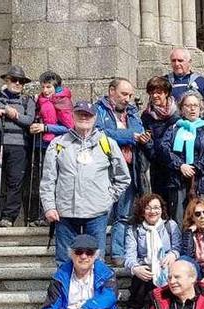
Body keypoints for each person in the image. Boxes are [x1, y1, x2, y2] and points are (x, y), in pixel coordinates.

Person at [41, 101, 130, 266]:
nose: (84, 117)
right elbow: (48, 180)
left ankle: (96, 292)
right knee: (64, 261)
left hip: (96, 213)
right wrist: (49, 206)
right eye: (80, 113)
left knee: (96, 261)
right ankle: (64, 291)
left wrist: (108, 198)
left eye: (88, 114)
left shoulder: (107, 143)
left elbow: (123, 177)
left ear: (95, 117)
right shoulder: (58, 144)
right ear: (73, 115)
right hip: (64, 212)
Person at [94, 78, 144, 265]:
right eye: (124, 94)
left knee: (124, 215)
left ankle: (118, 254)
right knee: (102, 213)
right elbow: (99, 133)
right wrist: (129, 136)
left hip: (129, 169)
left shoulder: (132, 112)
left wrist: (141, 137)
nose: (128, 99)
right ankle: (97, 256)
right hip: (105, 169)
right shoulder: (98, 109)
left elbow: (140, 131)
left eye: (130, 95)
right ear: (111, 91)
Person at [162, 90, 204, 225]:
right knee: (179, 220)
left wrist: (195, 168)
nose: (192, 109)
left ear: (201, 108)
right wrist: (180, 165)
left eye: (195, 105)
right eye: (188, 105)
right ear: (181, 109)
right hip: (178, 181)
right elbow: (164, 149)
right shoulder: (174, 128)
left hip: (203, 181)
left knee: (203, 219)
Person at [26, 71, 73, 226]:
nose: (45, 90)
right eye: (43, 87)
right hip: (40, 144)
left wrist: (45, 127)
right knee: (40, 180)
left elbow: (69, 128)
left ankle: (51, 216)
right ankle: (41, 215)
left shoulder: (63, 101)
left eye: (49, 87)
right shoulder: (41, 100)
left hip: (55, 146)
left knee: (53, 181)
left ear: (56, 87)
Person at [0, 66, 36, 228]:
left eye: (21, 81)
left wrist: (14, 115)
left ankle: (8, 217)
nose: (18, 83)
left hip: (18, 145)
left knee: (15, 182)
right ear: (7, 80)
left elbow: (29, 120)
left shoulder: (27, 100)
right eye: (14, 80)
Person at [123, 193, 180, 309]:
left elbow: (178, 247)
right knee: (143, 272)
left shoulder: (170, 225)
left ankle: (151, 304)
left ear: (161, 209)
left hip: (165, 265)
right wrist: (135, 267)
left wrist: (173, 254)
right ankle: (137, 304)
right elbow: (129, 255)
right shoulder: (134, 229)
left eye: (156, 208)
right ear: (142, 211)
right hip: (145, 267)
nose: (152, 211)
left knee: (160, 271)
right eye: (148, 208)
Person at [138, 77, 180, 201]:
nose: (155, 95)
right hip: (157, 167)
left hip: (176, 166)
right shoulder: (146, 116)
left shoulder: (178, 113)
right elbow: (147, 141)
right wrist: (147, 144)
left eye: (159, 92)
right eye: (152, 93)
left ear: (166, 93)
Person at [167, 47, 204, 124]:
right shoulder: (165, 82)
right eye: (173, 61)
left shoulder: (201, 82)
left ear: (189, 62)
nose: (177, 64)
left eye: (180, 60)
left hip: (196, 129)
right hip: (171, 129)